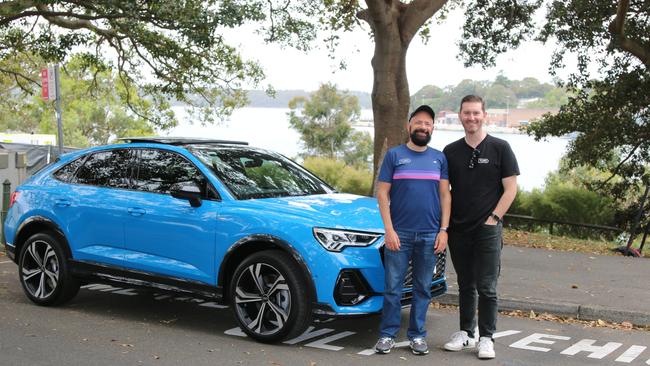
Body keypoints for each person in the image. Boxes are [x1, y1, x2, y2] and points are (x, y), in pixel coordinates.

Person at [442, 95, 519, 359]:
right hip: (458, 230)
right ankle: (466, 333)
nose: (471, 118)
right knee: (465, 285)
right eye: (467, 113)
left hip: (487, 230)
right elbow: (445, 192)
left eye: (476, 113)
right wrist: (445, 226)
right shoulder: (450, 152)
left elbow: (511, 189)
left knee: (487, 287)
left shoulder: (500, 148)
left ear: (484, 115)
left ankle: (486, 338)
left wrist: (493, 219)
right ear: (460, 115)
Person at [374, 105, 451, 355]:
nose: (423, 127)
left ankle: (417, 336)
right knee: (393, 287)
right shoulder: (395, 156)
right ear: (409, 126)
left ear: (432, 129)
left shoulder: (439, 158)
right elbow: (383, 193)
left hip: (430, 235)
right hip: (400, 234)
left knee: (422, 288)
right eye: (418, 122)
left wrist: (444, 230)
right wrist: (389, 229)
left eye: (428, 124)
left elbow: (444, 196)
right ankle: (387, 335)